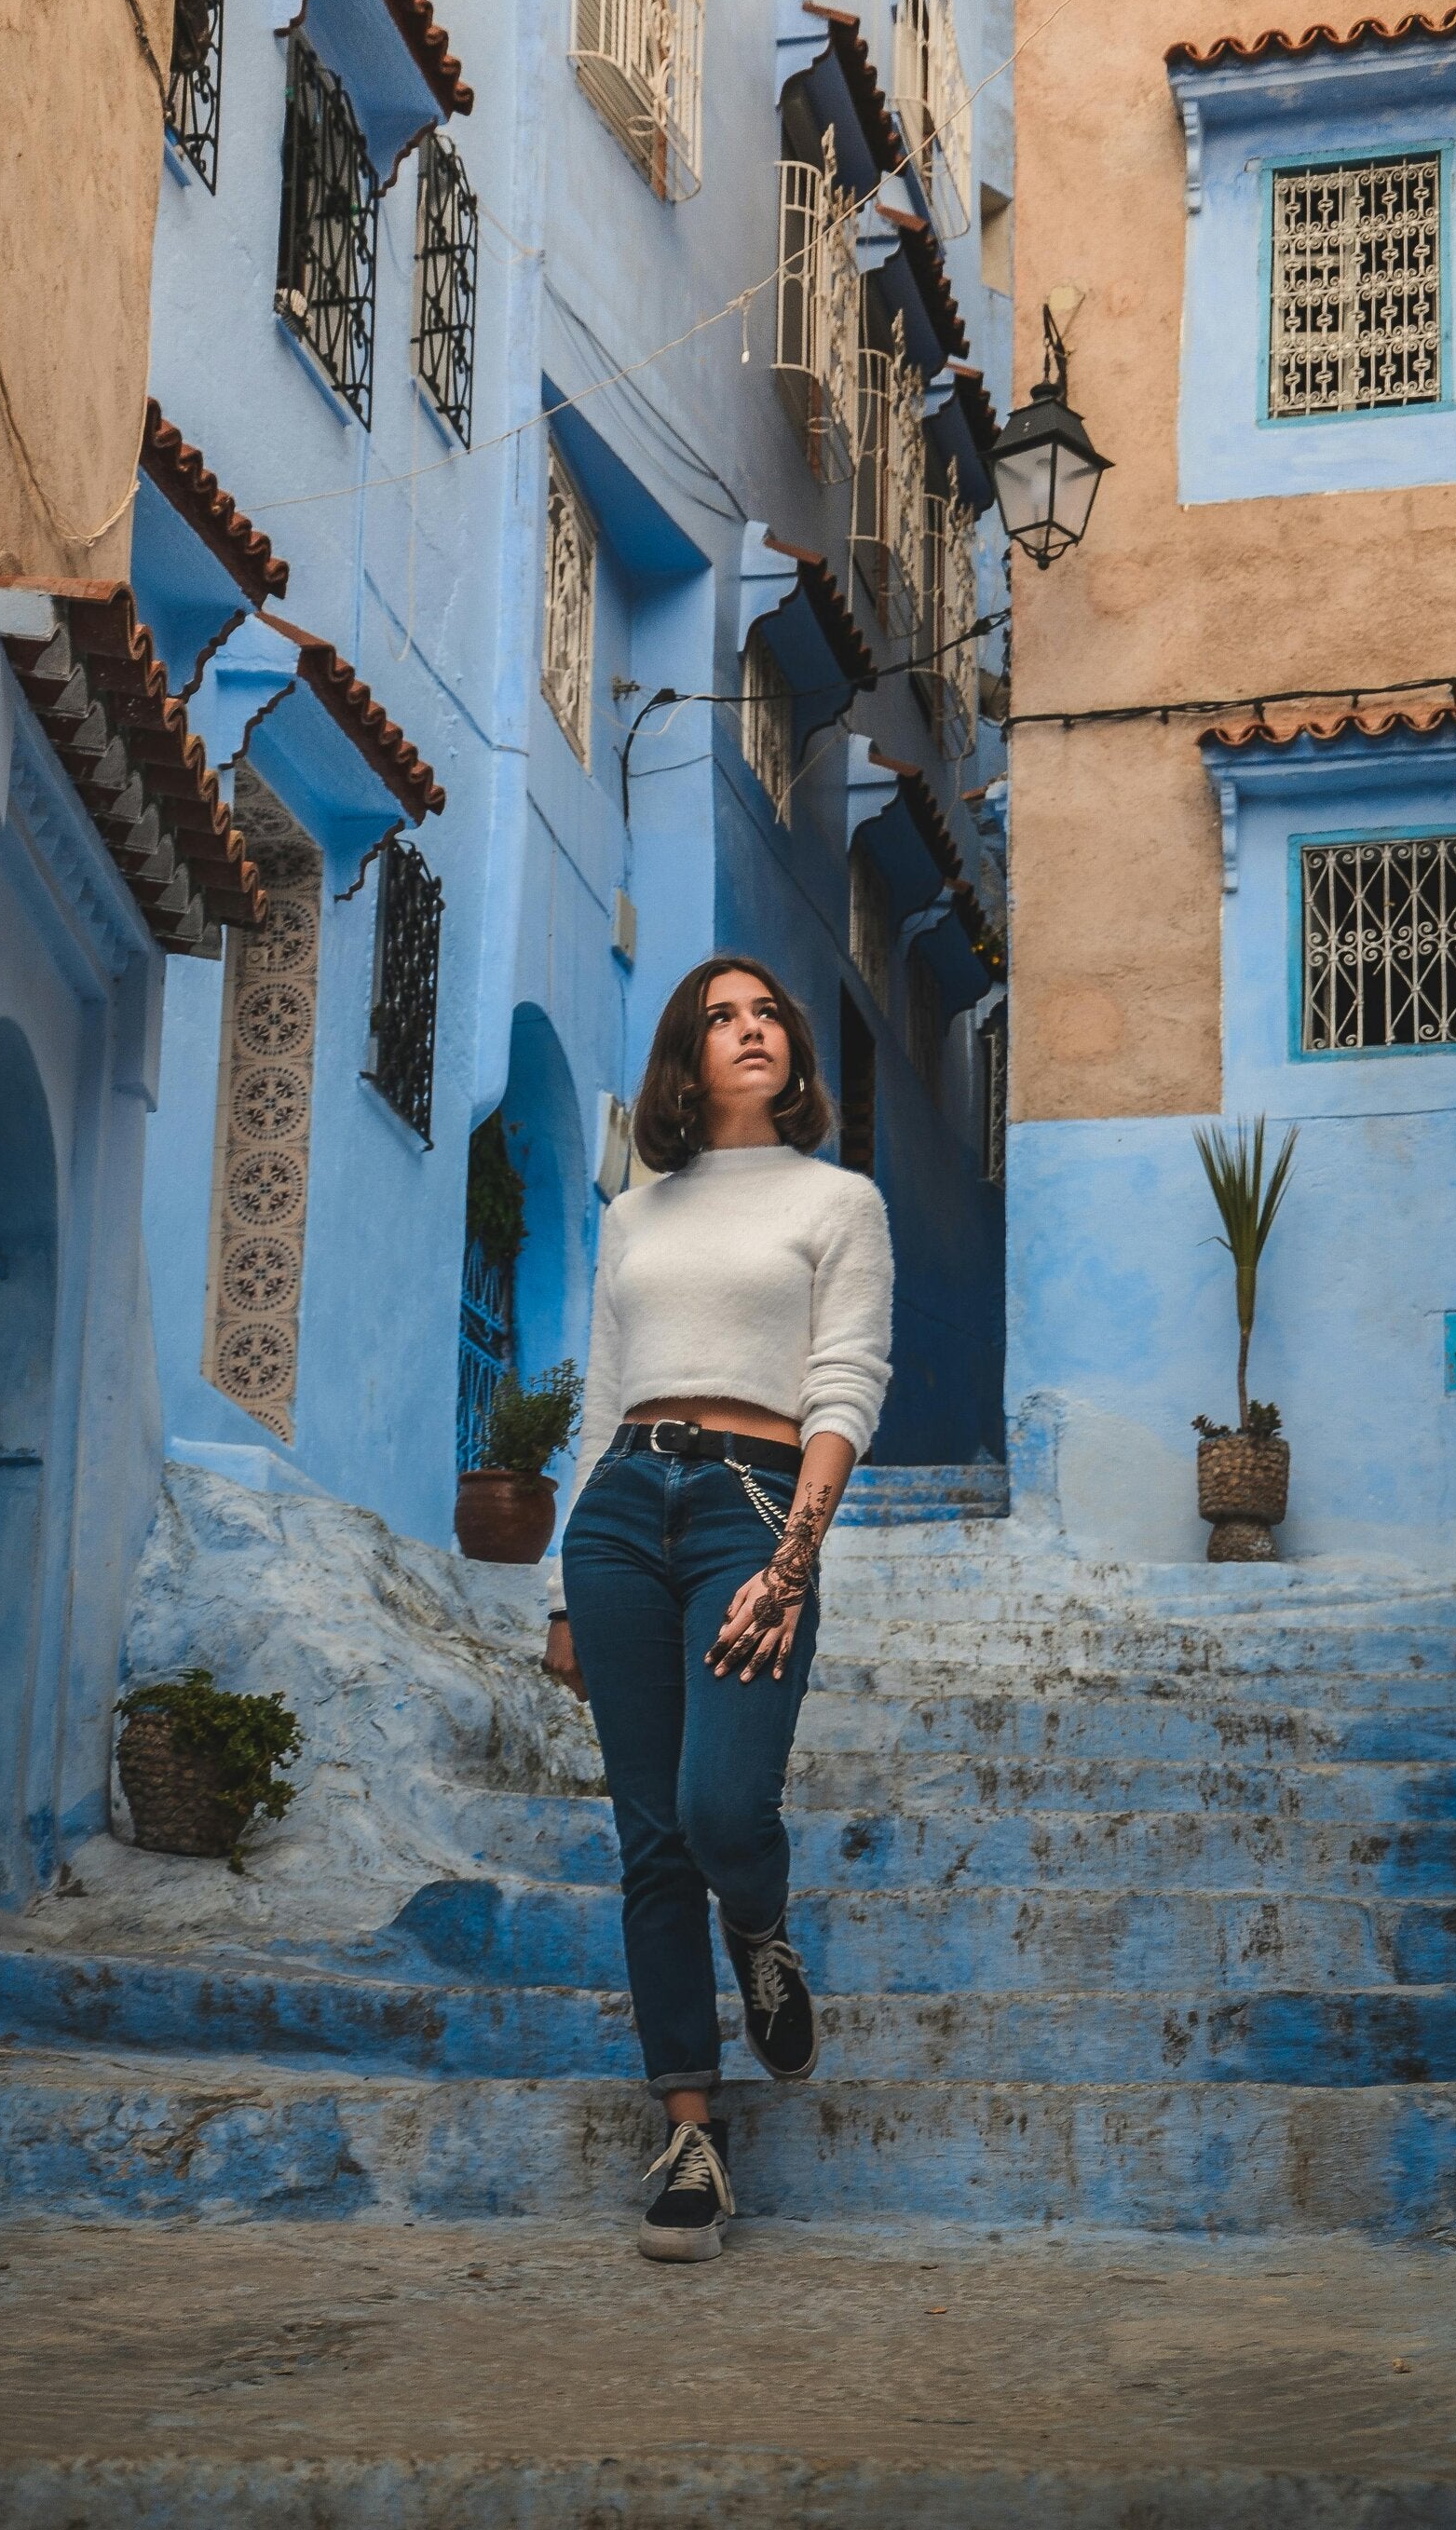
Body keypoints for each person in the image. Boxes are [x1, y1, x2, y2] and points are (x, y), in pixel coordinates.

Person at [544, 956, 893, 2261]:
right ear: (686, 1064)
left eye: (766, 1016)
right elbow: (597, 1395)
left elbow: (844, 1385)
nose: (749, 1032)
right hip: (624, 1510)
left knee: (719, 1806)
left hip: (753, 1506)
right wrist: (560, 1594)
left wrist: (794, 1559)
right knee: (648, 1842)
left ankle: (758, 1926)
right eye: (718, 1019)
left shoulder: (837, 1203)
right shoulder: (637, 1213)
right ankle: (690, 2128)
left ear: (794, 1051)